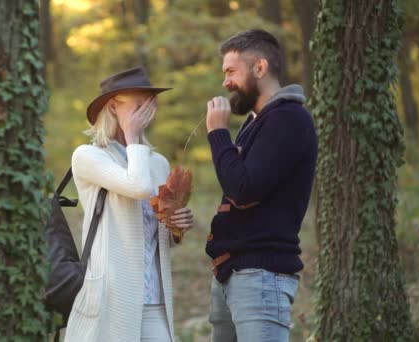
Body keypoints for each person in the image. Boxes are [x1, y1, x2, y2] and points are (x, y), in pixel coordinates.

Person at [65, 66, 194, 342]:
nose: (148, 111)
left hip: (154, 300)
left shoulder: (157, 163)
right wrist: (133, 136)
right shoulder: (88, 157)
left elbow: (153, 235)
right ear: (113, 106)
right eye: (139, 104)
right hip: (112, 299)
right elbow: (138, 186)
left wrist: (176, 226)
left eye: (150, 104)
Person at [204, 29, 318, 341]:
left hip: (262, 278)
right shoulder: (255, 123)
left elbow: (243, 188)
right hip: (232, 274)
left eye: (231, 71)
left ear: (260, 68)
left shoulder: (289, 119)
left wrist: (217, 134)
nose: (225, 82)